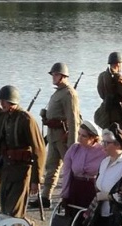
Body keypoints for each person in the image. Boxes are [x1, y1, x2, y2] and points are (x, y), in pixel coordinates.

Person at [31, 62, 81, 209]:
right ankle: (46, 197)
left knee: (70, 168)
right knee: (51, 167)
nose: (53, 76)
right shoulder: (58, 92)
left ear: (63, 76)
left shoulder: (69, 93)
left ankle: (73, 196)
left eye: (56, 74)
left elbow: (73, 120)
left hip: (64, 137)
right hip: (53, 136)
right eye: (53, 74)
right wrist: (46, 116)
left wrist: (73, 144)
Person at [0, 85, 46, 219]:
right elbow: (3, 139)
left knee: (15, 212)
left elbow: (39, 150)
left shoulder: (26, 119)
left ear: (12, 102)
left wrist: (36, 179)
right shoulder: (6, 117)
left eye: (3, 101)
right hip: (8, 169)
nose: (1, 104)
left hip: (22, 171)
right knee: (5, 208)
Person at [58, 121, 106, 223]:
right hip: (75, 187)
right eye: (79, 134)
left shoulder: (103, 151)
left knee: (89, 221)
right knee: (72, 220)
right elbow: (66, 173)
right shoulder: (74, 149)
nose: (79, 138)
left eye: (83, 136)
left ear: (93, 138)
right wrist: (65, 195)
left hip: (92, 188)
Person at [94, 52, 122, 145]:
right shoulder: (118, 77)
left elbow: (101, 94)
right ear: (118, 64)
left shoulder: (102, 76)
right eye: (121, 64)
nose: (121, 66)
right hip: (117, 112)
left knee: (107, 136)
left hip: (105, 109)